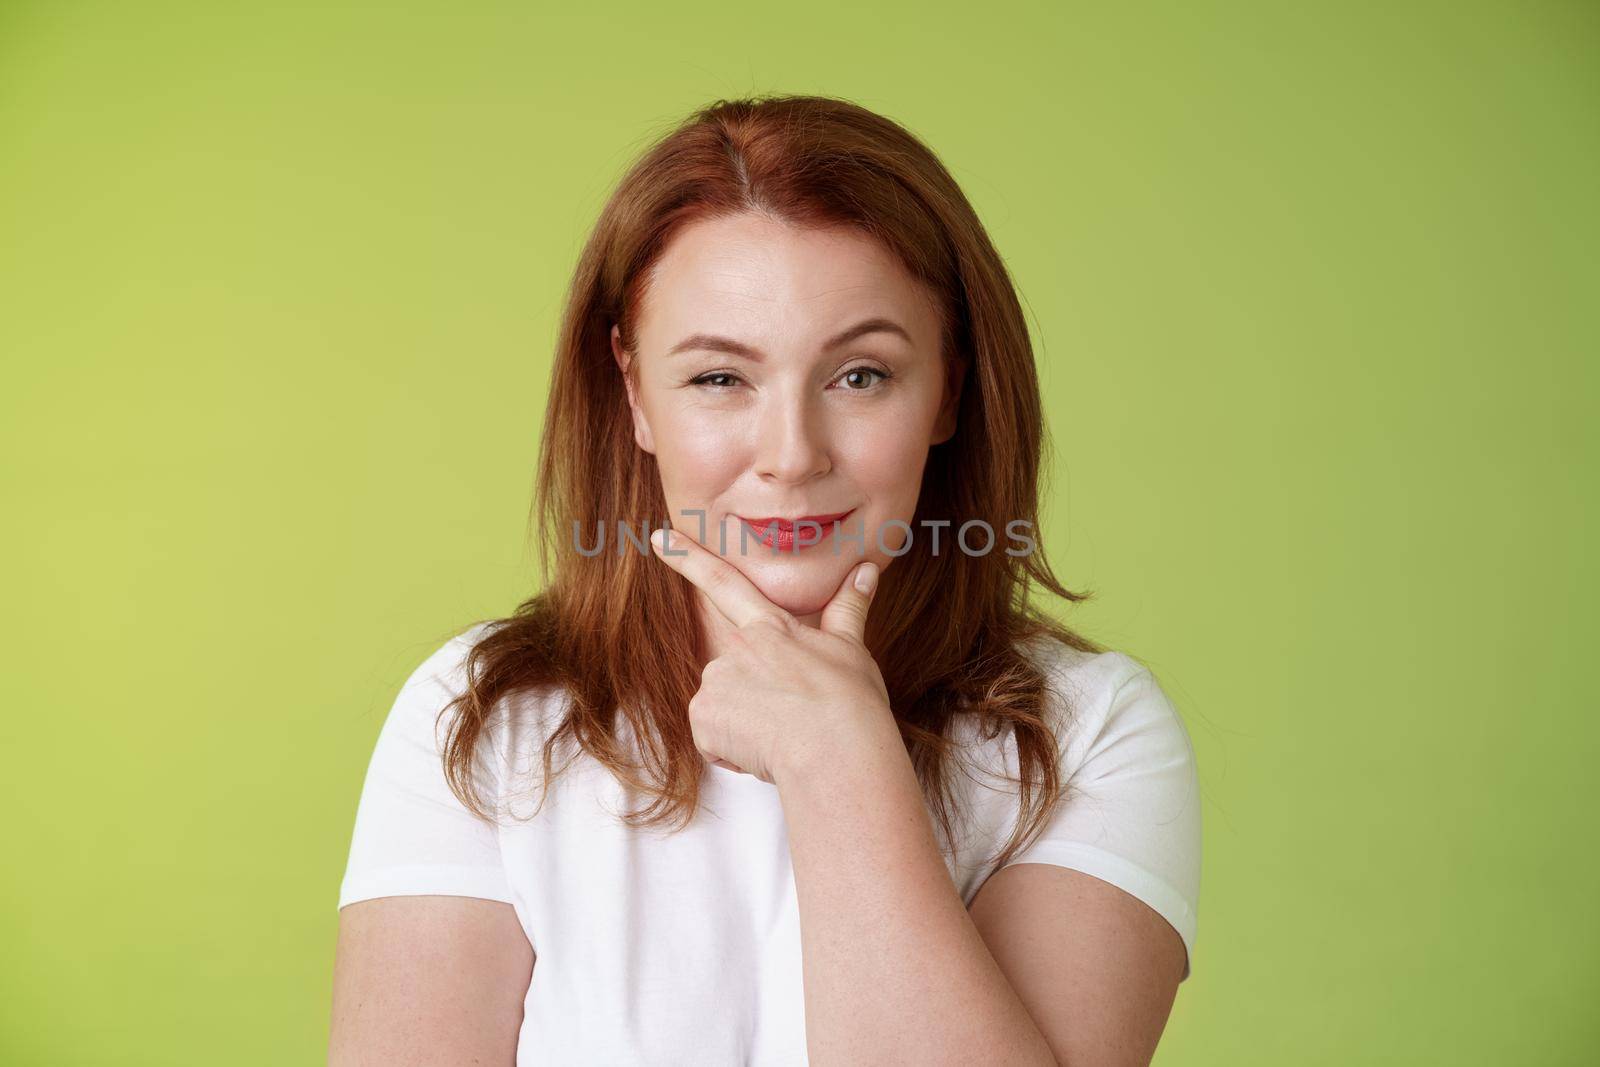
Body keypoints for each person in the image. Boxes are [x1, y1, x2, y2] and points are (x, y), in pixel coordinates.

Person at [329, 93, 1201, 1067]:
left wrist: (839, 763)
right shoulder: (481, 721)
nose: (790, 455)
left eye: (860, 375)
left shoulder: (1091, 733)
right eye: (718, 378)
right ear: (634, 394)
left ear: (948, 386)